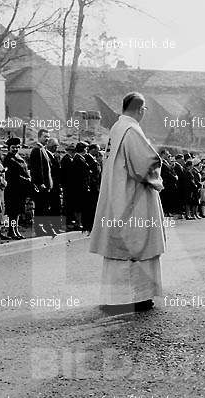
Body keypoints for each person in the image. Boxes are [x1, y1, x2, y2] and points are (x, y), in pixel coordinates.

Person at [89, 92, 165, 314]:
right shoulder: (132, 131)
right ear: (141, 109)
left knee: (120, 249)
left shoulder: (116, 128)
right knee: (137, 245)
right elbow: (144, 165)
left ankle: (116, 296)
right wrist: (157, 177)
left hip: (117, 194)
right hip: (133, 198)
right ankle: (136, 298)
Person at [29, 129, 57, 237]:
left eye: (48, 137)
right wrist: (40, 183)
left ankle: (43, 228)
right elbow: (36, 168)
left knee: (44, 207)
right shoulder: (37, 150)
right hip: (41, 185)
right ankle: (40, 228)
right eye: (45, 136)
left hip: (46, 184)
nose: (47, 139)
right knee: (41, 207)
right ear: (39, 137)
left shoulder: (42, 149)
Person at [3, 137, 31, 239]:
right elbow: (12, 175)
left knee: (18, 210)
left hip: (20, 188)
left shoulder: (18, 157)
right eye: (13, 147)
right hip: (12, 188)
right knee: (12, 211)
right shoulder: (8, 159)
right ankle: (11, 230)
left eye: (17, 147)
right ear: (9, 148)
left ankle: (16, 230)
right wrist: (25, 179)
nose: (15, 149)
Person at [83, 143, 102, 231]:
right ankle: (89, 225)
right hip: (93, 187)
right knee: (91, 206)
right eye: (97, 149)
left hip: (96, 186)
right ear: (93, 149)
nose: (98, 151)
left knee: (94, 206)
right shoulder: (87, 158)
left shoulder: (92, 158)